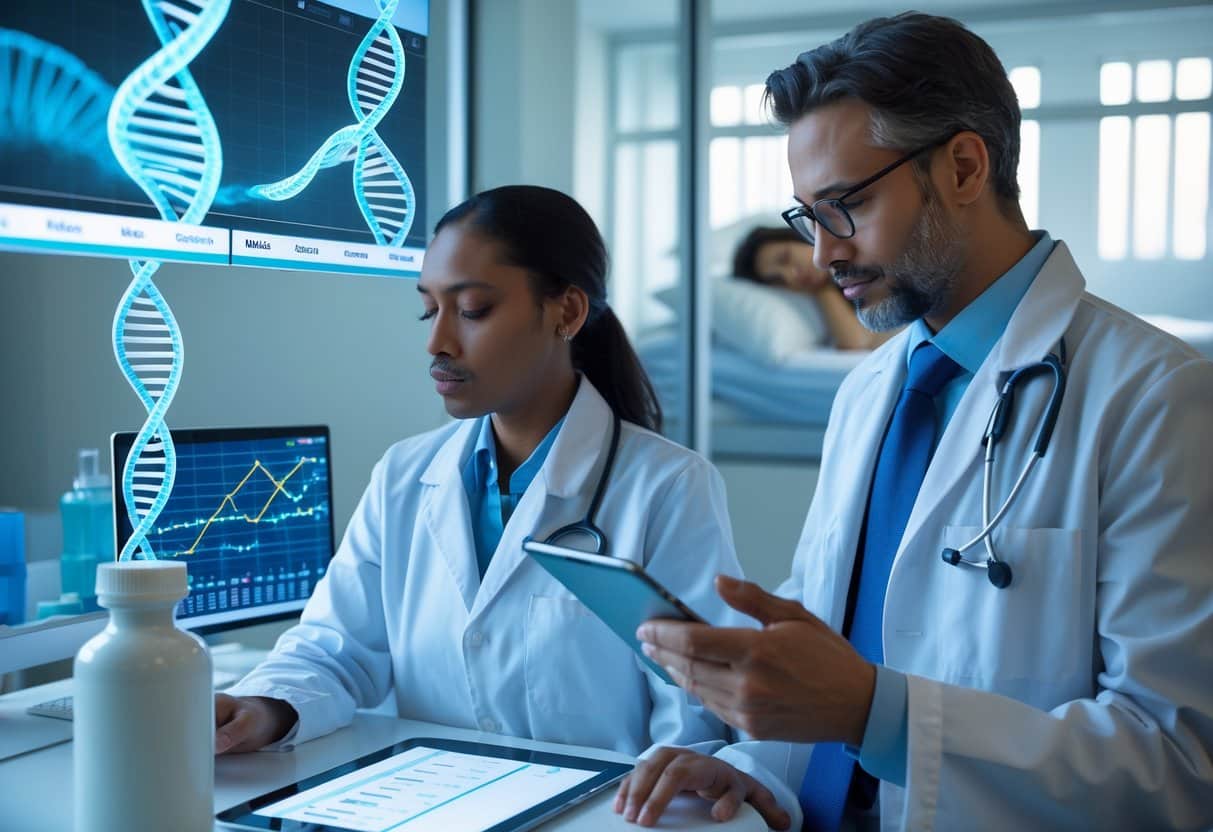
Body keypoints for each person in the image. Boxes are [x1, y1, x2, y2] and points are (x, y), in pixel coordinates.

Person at [618, 12, 1213, 831]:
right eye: (808, 215)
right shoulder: (869, 390)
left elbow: (1178, 765)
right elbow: (836, 643)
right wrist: (747, 765)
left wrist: (876, 714)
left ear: (963, 167)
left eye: (845, 205)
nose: (823, 255)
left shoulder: (1154, 397)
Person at [211, 185, 751, 763]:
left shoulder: (667, 487)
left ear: (567, 312)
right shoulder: (404, 475)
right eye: (429, 309)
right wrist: (266, 707)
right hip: (434, 797)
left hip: (607, 805)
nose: (436, 342)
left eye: (471, 310)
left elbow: (694, 714)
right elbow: (335, 649)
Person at [731, 226, 890, 350]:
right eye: (779, 280)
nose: (791, 276)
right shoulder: (833, 289)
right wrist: (822, 290)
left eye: (785, 258)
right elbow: (857, 343)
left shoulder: (860, 245)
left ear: (800, 236)